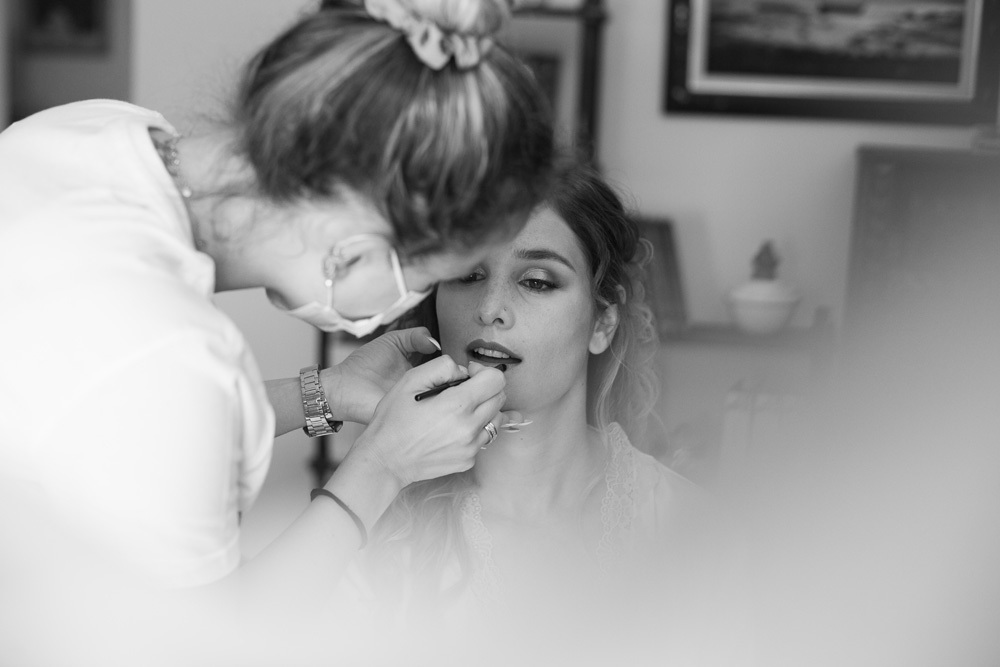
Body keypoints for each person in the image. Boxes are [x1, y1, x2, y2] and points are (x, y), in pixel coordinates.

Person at [0, 0, 552, 661]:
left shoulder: (96, 130)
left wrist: (328, 392)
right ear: (351, 254)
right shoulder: (166, 350)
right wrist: (383, 465)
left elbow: (110, 419)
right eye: (437, 277)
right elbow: (208, 644)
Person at [341, 159, 746, 666]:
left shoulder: (694, 533)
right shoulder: (370, 530)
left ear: (602, 323)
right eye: (467, 274)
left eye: (535, 281)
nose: (490, 308)